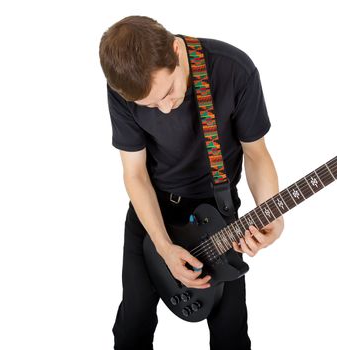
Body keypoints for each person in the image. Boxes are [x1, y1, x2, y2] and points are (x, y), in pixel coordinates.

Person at [99, 15, 285, 350]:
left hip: (218, 210)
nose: (166, 108)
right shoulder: (124, 88)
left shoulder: (233, 71)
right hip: (152, 208)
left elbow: (256, 154)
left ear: (175, 50)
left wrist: (271, 212)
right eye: (152, 105)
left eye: (169, 91)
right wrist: (163, 246)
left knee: (231, 332)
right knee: (133, 326)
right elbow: (135, 174)